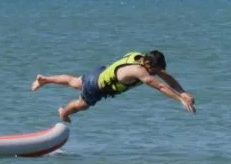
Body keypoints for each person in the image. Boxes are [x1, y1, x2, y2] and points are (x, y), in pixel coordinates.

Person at [31, 50, 196, 123]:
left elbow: (167, 77)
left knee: (74, 82)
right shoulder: (140, 71)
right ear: (147, 64)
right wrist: (179, 99)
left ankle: (44, 80)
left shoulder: (142, 59)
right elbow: (160, 87)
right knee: (82, 105)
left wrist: (183, 92)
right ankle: (63, 112)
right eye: (154, 71)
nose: (156, 74)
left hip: (101, 73)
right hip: (98, 86)